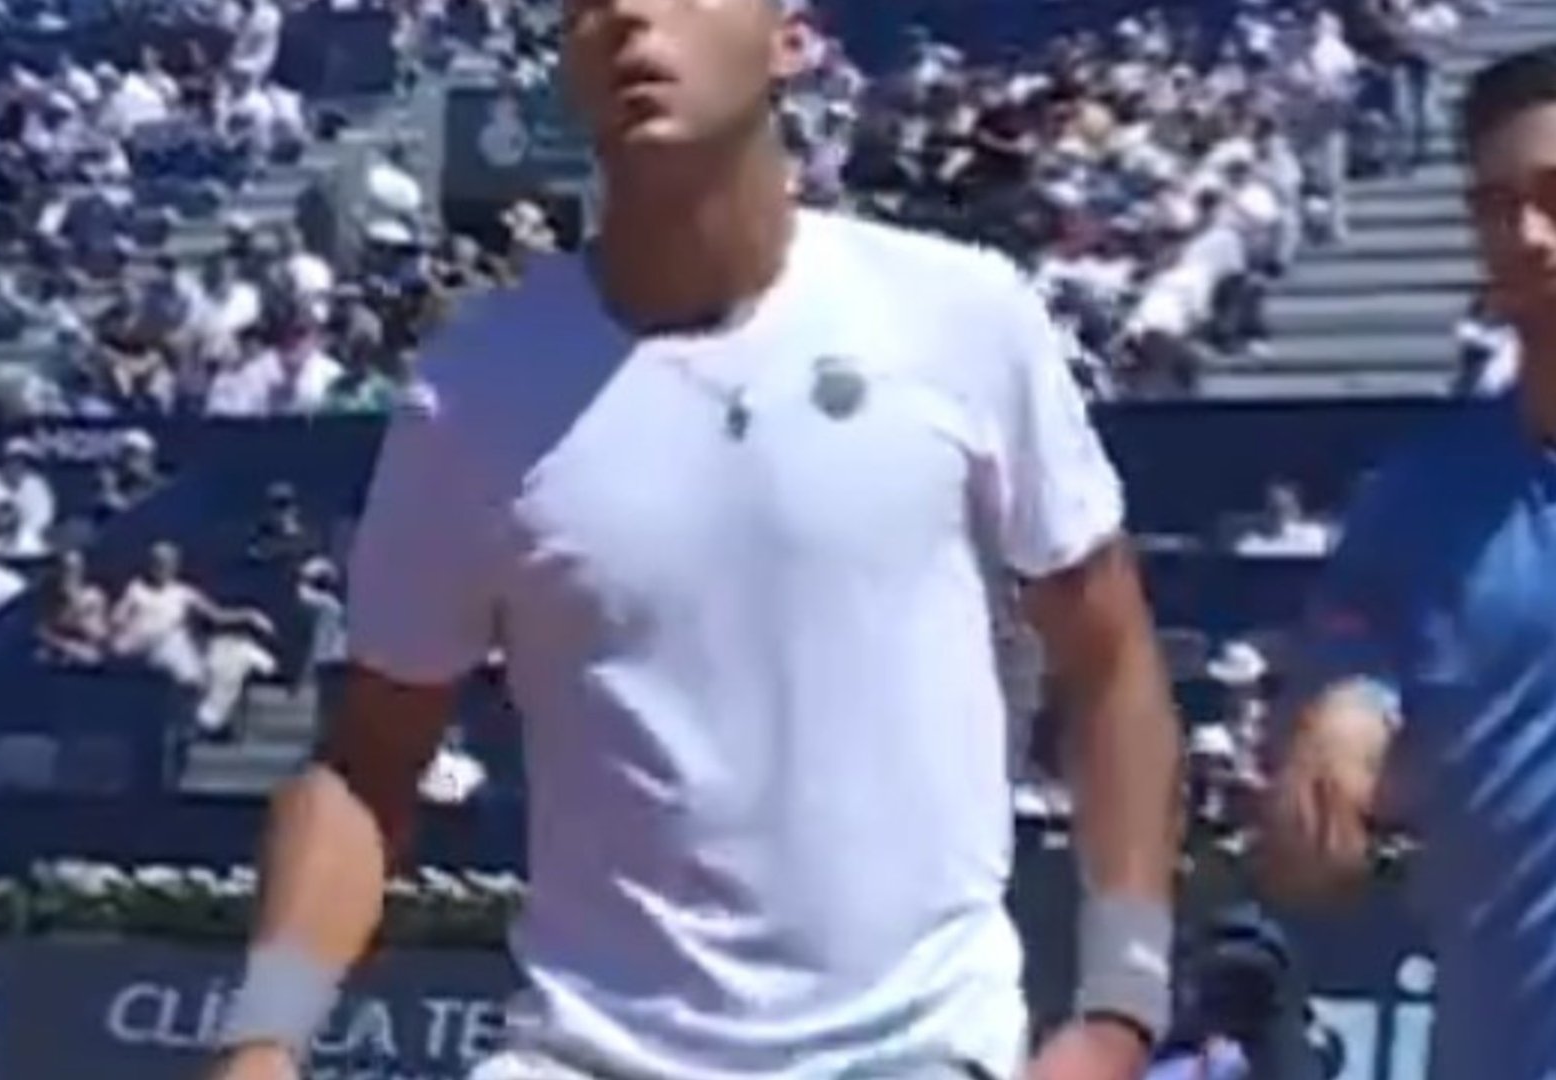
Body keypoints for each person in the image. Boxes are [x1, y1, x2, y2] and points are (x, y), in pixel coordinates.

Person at [207, 0, 1182, 1078]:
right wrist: (263, 1040)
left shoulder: (964, 316)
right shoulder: (470, 392)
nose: (624, 16)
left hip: (908, 1055)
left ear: (793, 38)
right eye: (581, 5)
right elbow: (366, 763)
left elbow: (1112, 661)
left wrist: (1120, 1006)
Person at [1258, 45, 1556, 1080]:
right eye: (1495, 206)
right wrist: (1336, 719)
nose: (1527, 236)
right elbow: (1348, 676)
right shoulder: (1418, 499)